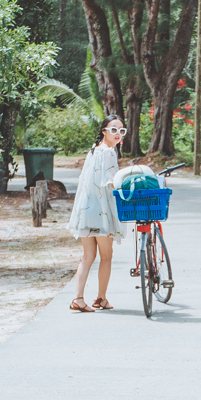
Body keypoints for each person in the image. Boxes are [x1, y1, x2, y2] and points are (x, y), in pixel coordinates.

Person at [67, 114, 128, 311]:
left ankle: (78, 298)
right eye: (113, 129)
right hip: (101, 211)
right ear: (104, 131)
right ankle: (101, 298)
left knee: (87, 256)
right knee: (106, 256)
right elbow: (111, 182)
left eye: (121, 130)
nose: (118, 134)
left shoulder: (94, 150)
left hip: (86, 210)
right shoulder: (109, 152)